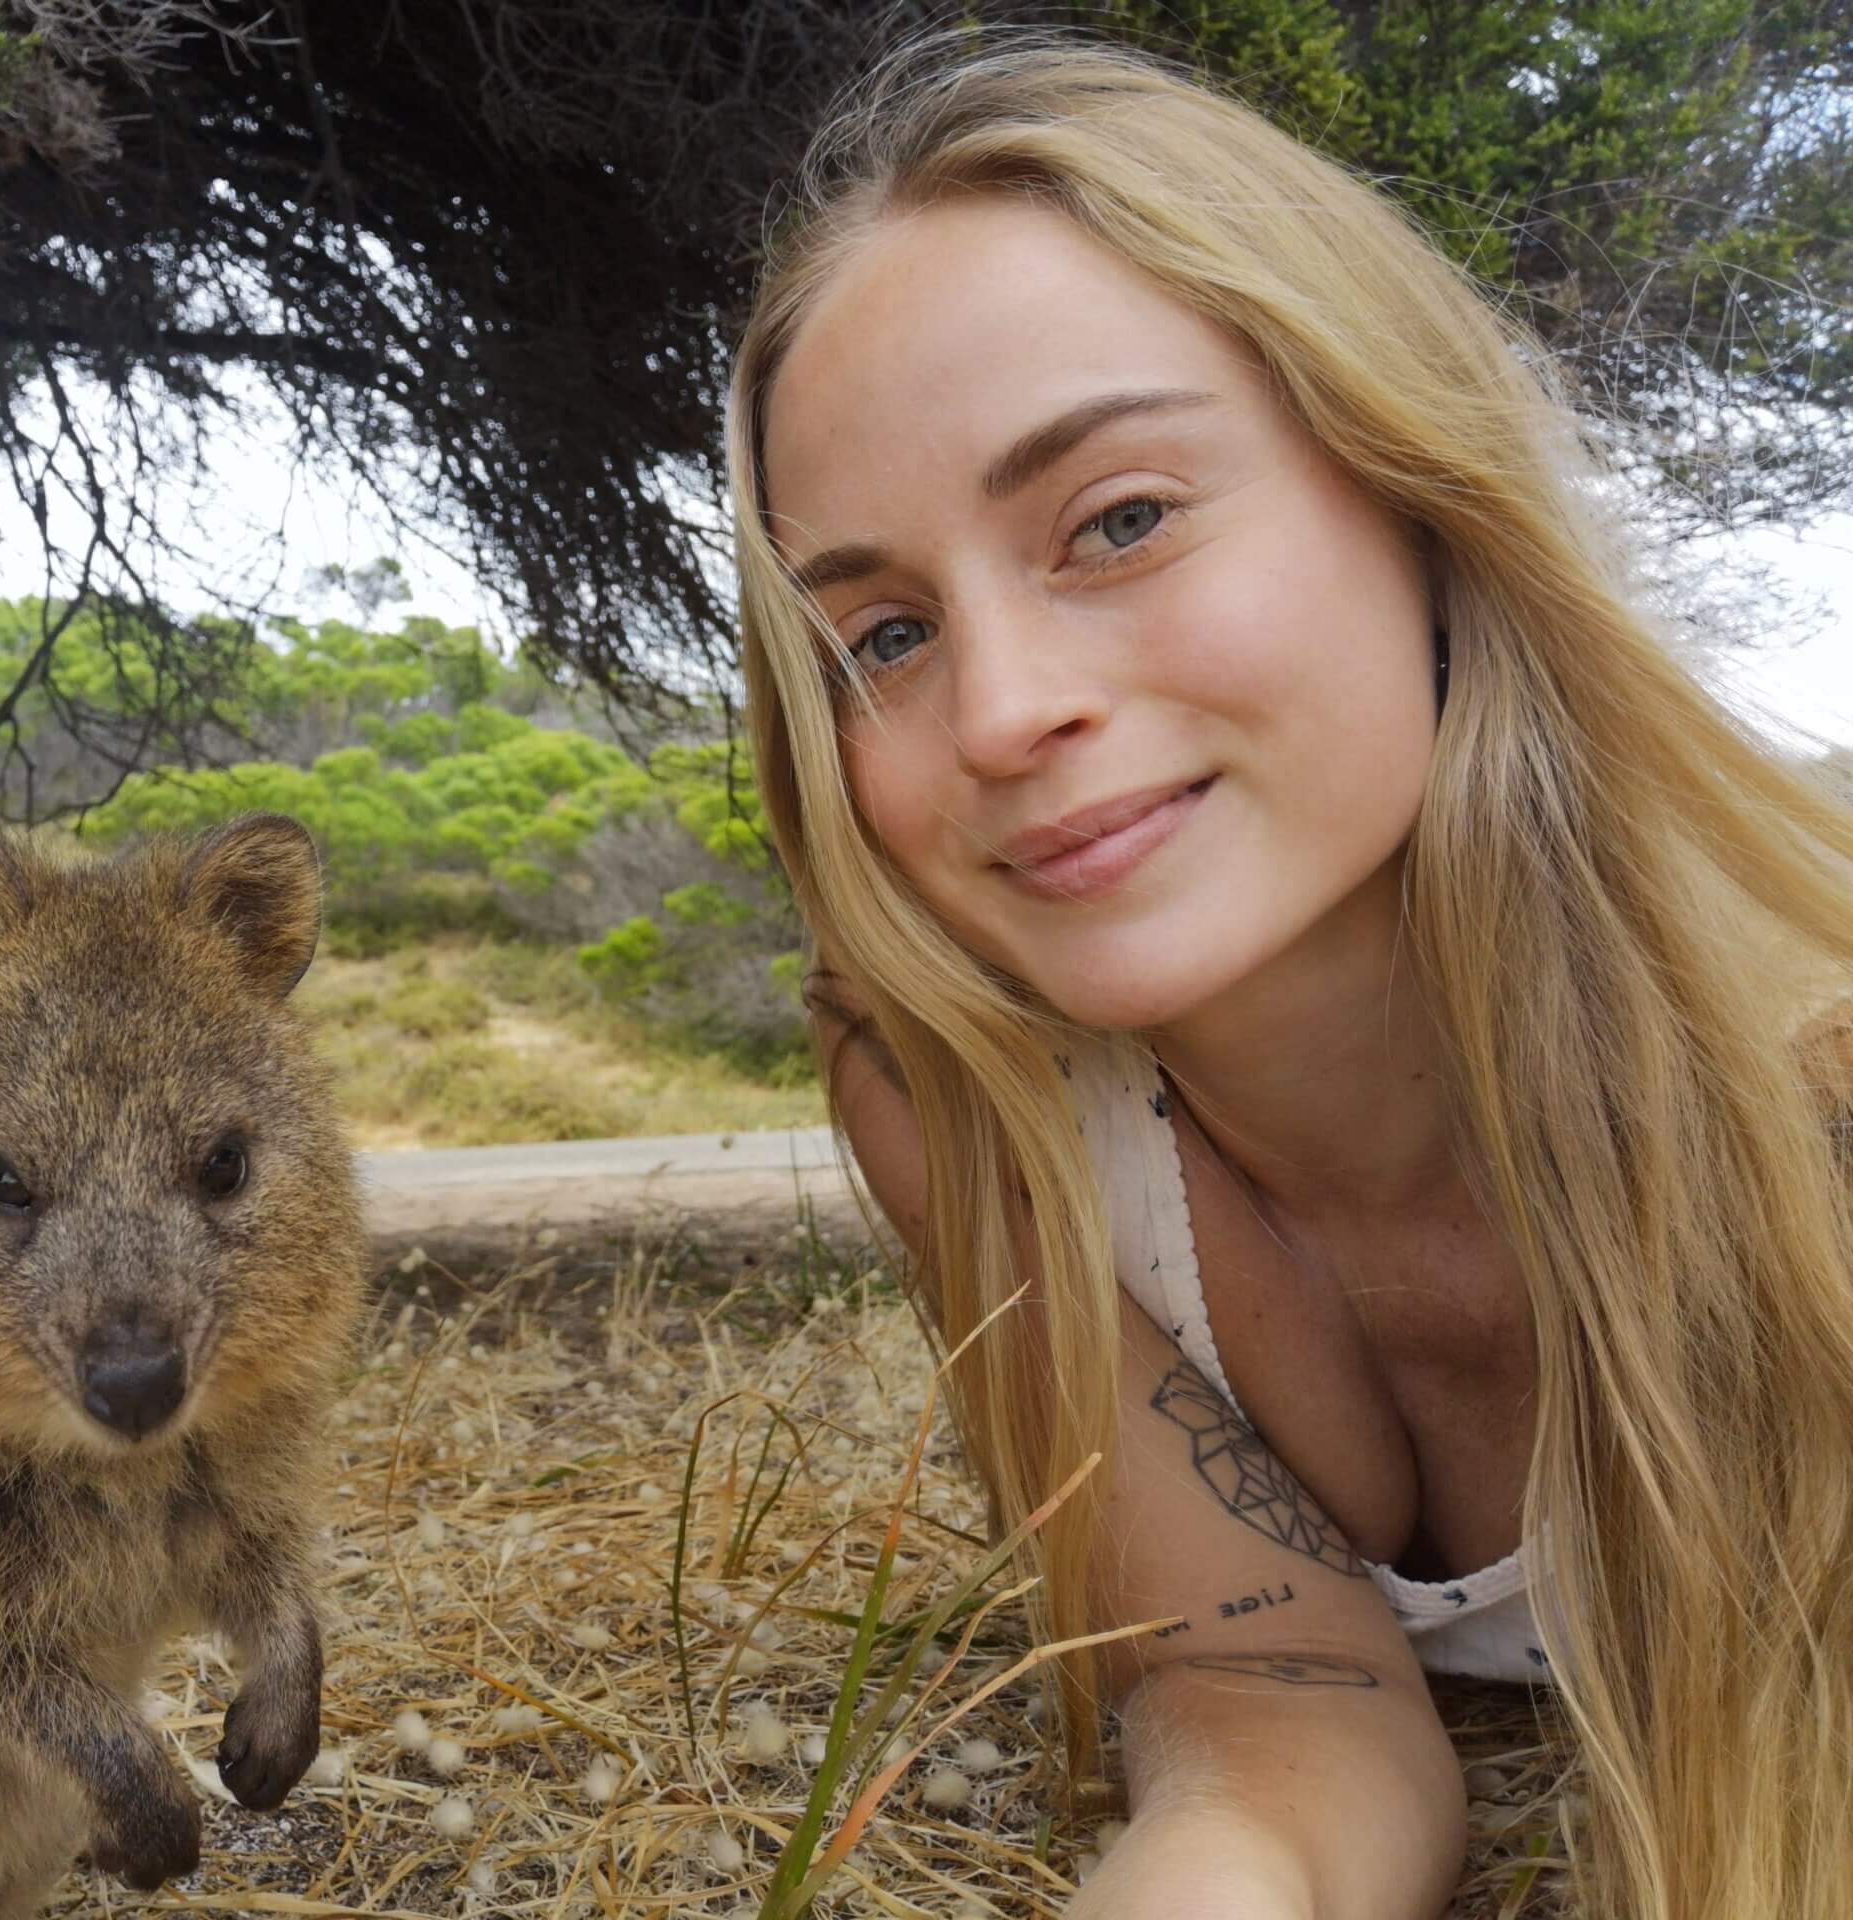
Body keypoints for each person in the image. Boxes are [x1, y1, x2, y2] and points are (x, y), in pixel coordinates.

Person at [728, 33, 1853, 1920]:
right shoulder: (953, 1095)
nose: (1003, 711)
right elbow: (1271, 1688)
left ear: (1415, 502)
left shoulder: (1813, 1074)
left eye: (1122, 519)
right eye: (888, 634)